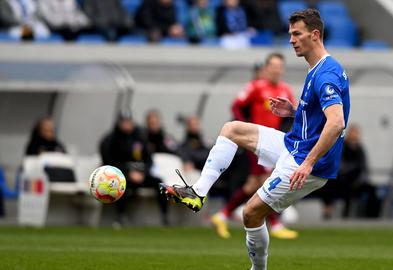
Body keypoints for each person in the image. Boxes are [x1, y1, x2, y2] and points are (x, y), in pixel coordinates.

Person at [160, 8, 350, 270]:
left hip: (307, 162)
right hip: (293, 144)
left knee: (251, 213)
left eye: (297, 34)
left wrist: (308, 163)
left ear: (315, 35)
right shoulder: (316, 68)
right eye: (290, 34)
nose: (292, 40)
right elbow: (322, 116)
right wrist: (296, 112)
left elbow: (337, 122)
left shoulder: (326, 73)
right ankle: (198, 192)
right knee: (232, 129)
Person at [210, 53, 298, 240]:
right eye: (273, 65)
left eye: (279, 66)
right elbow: (236, 106)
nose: (276, 69)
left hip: (274, 143)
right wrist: (246, 128)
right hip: (257, 143)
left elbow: (291, 117)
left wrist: (285, 135)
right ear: (266, 68)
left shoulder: (285, 90)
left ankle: (222, 215)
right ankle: (274, 223)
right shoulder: (255, 86)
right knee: (268, 181)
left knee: (255, 184)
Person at [100, 110, 169, 226]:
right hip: (121, 175)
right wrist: (128, 172)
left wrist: (143, 172)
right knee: (122, 185)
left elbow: (149, 160)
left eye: (128, 122)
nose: (126, 124)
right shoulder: (110, 140)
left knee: (160, 184)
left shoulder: (140, 137)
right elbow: (109, 162)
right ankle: (120, 217)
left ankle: (165, 217)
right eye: (124, 122)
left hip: (141, 174)